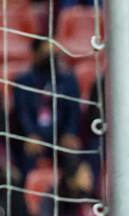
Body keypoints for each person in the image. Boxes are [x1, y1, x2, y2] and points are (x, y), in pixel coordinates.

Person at [13, 39, 82, 171]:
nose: (51, 58)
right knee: (27, 156)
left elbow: (73, 110)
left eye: (54, 54)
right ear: (35, 54)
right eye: (47, 54)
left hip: (60, 134)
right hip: (35, 136)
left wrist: (70, 132)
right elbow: (22, 112)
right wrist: (31, 134)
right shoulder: (23, 80)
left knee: (73, 155)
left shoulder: (68, 80)